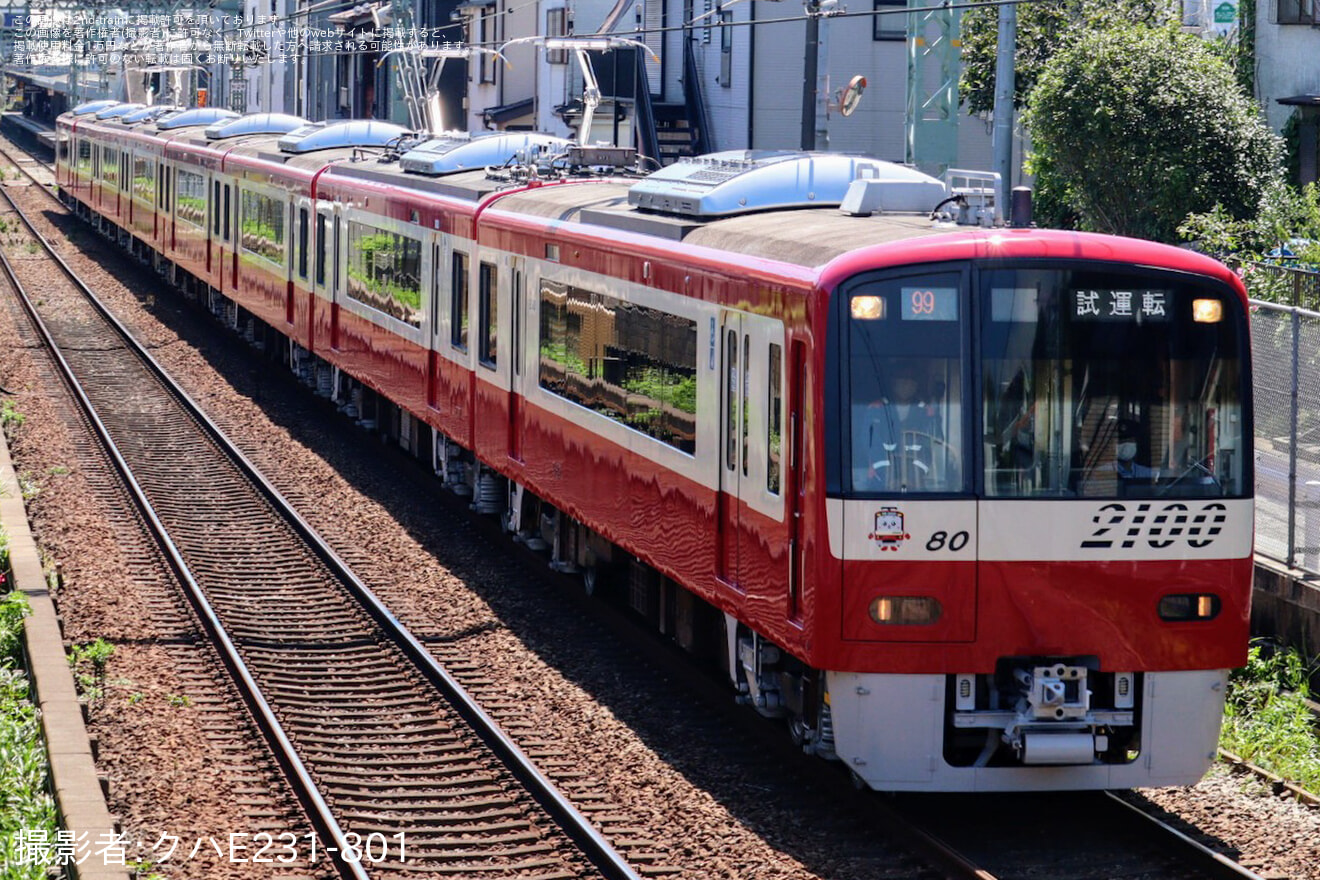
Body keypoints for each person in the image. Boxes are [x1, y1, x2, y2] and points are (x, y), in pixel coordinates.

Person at [856, 365, 941, 491]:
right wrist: (889, 479)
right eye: (902, 378)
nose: (906, 383)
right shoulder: (876, 409)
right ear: (893, 382)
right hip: (879, 484)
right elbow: (870, 445)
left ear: (916, 384)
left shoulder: (926, 412)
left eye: (911, 379)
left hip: (917, 486)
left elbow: (930, 448)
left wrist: (912, 479)